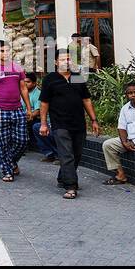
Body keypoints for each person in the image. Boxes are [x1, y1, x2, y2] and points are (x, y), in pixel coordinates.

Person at [38, 50, 101, 199]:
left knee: (77, 154)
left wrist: (93, 120)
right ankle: (71, 186)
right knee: (66, 154)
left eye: (68, 59)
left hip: (78, 123)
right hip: (60, 123)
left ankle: (63, 177)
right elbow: (44, 103)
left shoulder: (77, 77)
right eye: (62, 59)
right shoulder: (50, 79)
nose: (66, 62)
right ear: (55, 63)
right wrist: (43, 124)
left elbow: (86, 100)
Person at [0, 40, 31, 183]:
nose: (5, 53)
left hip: (17, 109)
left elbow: (23, 88)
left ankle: (10, 162)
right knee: (3, 143)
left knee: (22, 141)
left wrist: (28, 108)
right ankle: (7, 171)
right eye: (2, 51)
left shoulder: (17, 68)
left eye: (8, 50)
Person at [25, 71, 55, 161]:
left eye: (28, 82)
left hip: (45, 120)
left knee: (37, 127)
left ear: (34, 83)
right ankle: (49, 154)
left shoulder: (38, 93)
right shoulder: (23, 93)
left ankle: (55, 154)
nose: (25, 84)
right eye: (24, 82)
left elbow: (38, 111)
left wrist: (27, 117)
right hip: (32, 119)